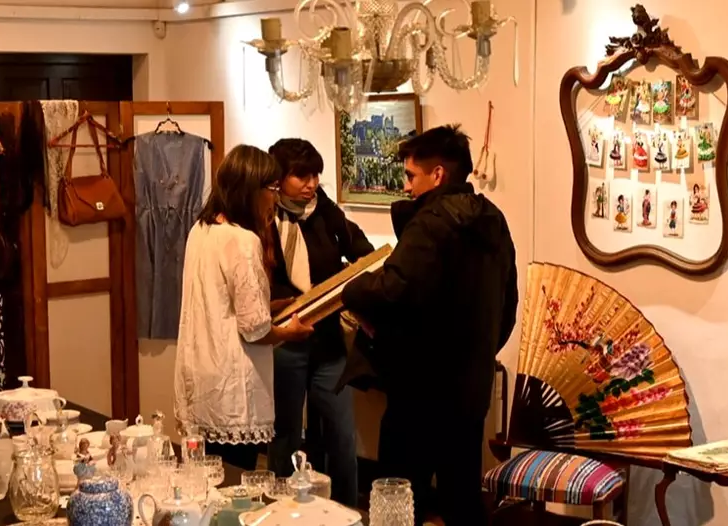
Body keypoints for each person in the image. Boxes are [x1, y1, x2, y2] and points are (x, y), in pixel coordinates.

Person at [341, 125, 518, 526]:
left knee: (401, 495)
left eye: (410, 175)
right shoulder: (494, 219)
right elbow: (507, 305)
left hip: (420, 387)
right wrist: (481, 352)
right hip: (470, 386)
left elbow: (392, 289)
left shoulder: (430, 223)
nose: (406, 187)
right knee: (461, 495)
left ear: (437, 174)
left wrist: (352, 289)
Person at [174, 144, 314, 471]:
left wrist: (269, 305)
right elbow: (255, 330)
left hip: (199, 373)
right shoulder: (243, 240)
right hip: (232, 384)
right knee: (235, 481)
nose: (275, 199)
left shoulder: (201, 229)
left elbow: (218, 300)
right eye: (272, 189)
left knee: (204, 476)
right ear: (251, 190)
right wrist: (290, 333)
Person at [266, 138, 374, 507]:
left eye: (315, 175)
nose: (311, 184)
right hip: (284, 339)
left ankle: (346, 511)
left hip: (327, 340)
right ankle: (281, 511)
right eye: (301, 176)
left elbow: (363, 254)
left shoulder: (326, 212)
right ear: (279, 177)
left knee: (342, 434)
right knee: (285, 434)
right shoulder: (264, 217)